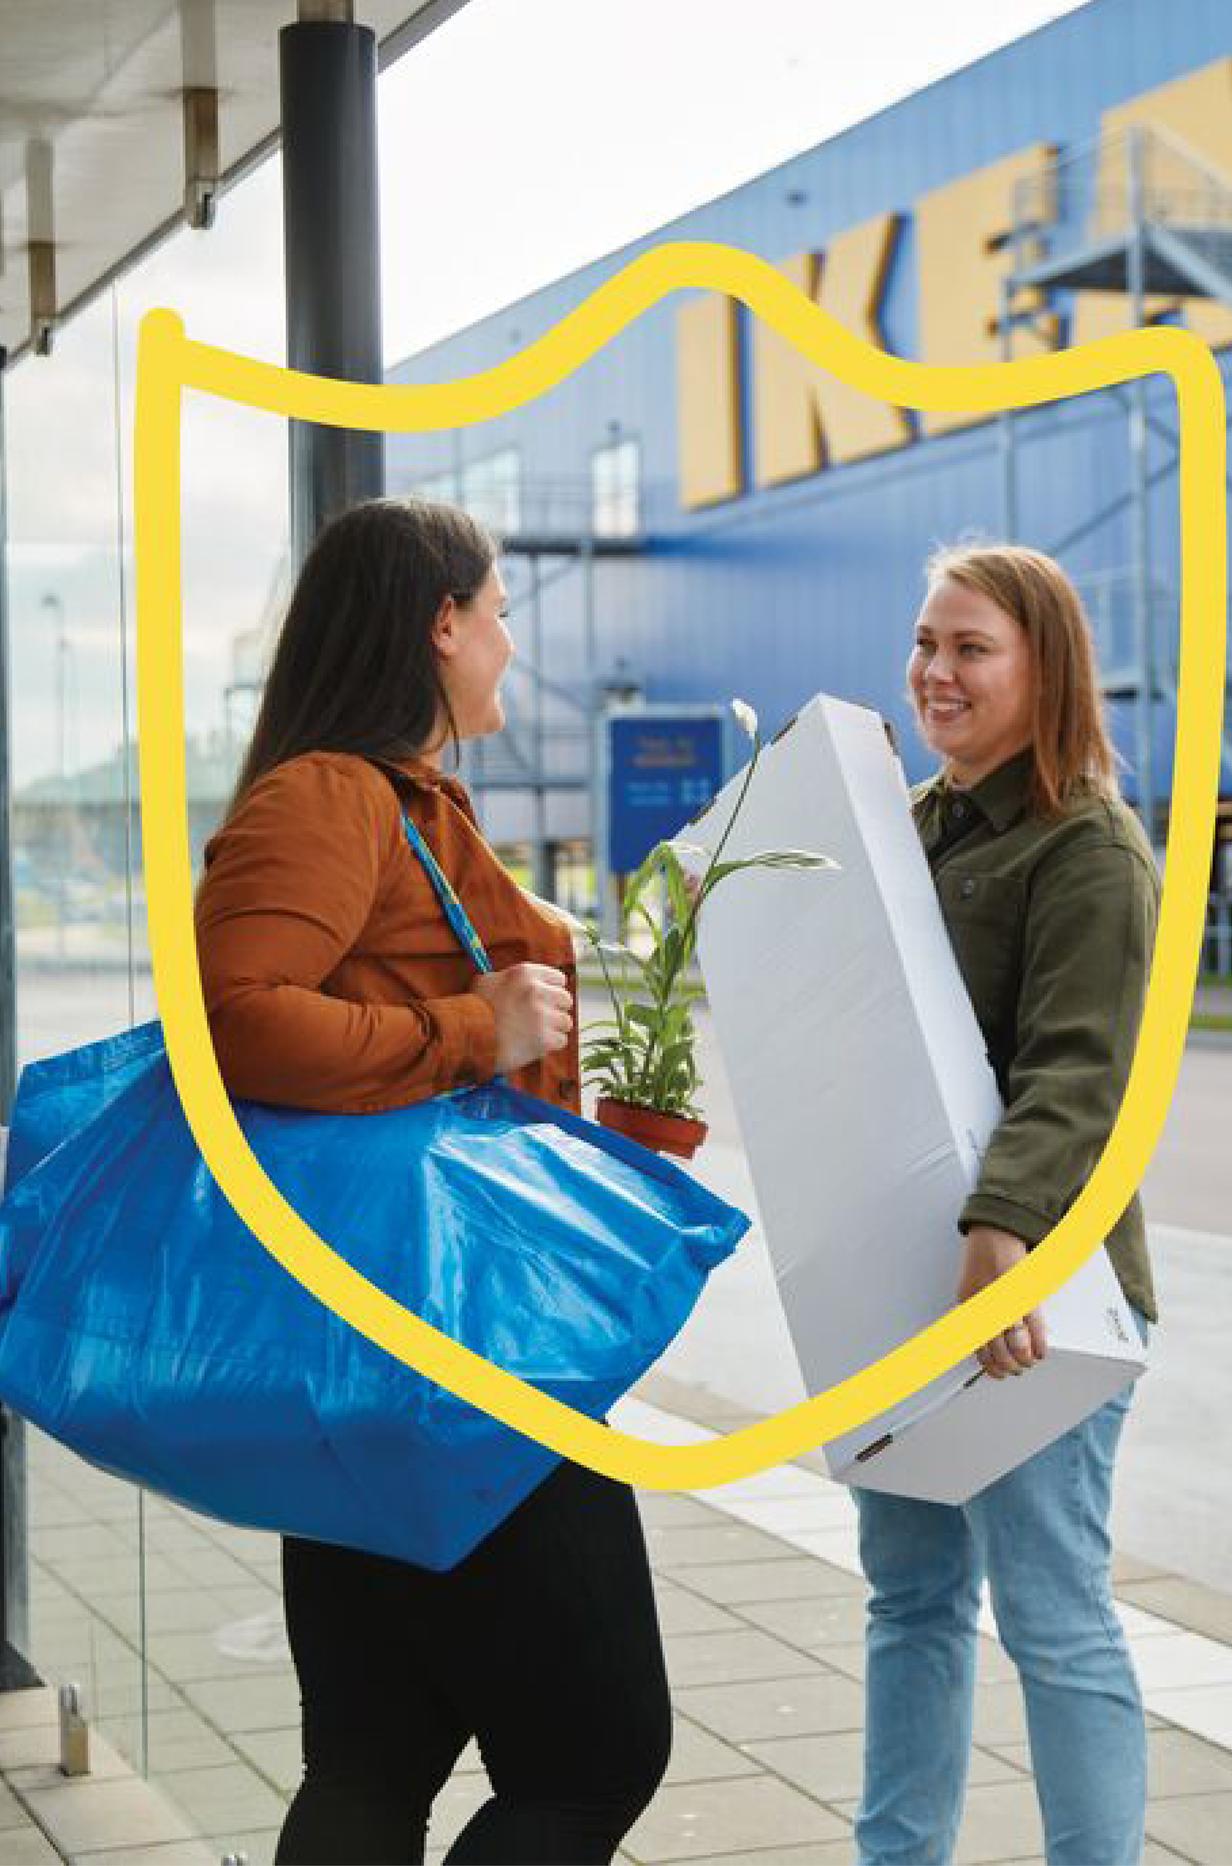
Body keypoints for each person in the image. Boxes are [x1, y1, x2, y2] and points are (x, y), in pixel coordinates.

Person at [194, 497, 671, 1865]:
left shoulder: (393, 800)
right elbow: (235, 1023)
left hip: (387, 1342)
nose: (513, 642)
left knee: (375, 1755)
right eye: (501, 611)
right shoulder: (334, 795)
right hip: (455, 1354)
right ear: (440, 625)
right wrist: (477, 1028)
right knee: (593, 1757)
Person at [854, 543, 1160, 1866]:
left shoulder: (1088, 847)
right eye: (927, 642)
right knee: (910, 1599)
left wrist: (1005, 1232)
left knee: (1053, 1615)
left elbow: (1080, 1072)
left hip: (1031, 1287)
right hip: (905, 1282)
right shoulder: (903, 825)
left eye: (971, 647)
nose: (935, 670)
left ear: (1047, 668)